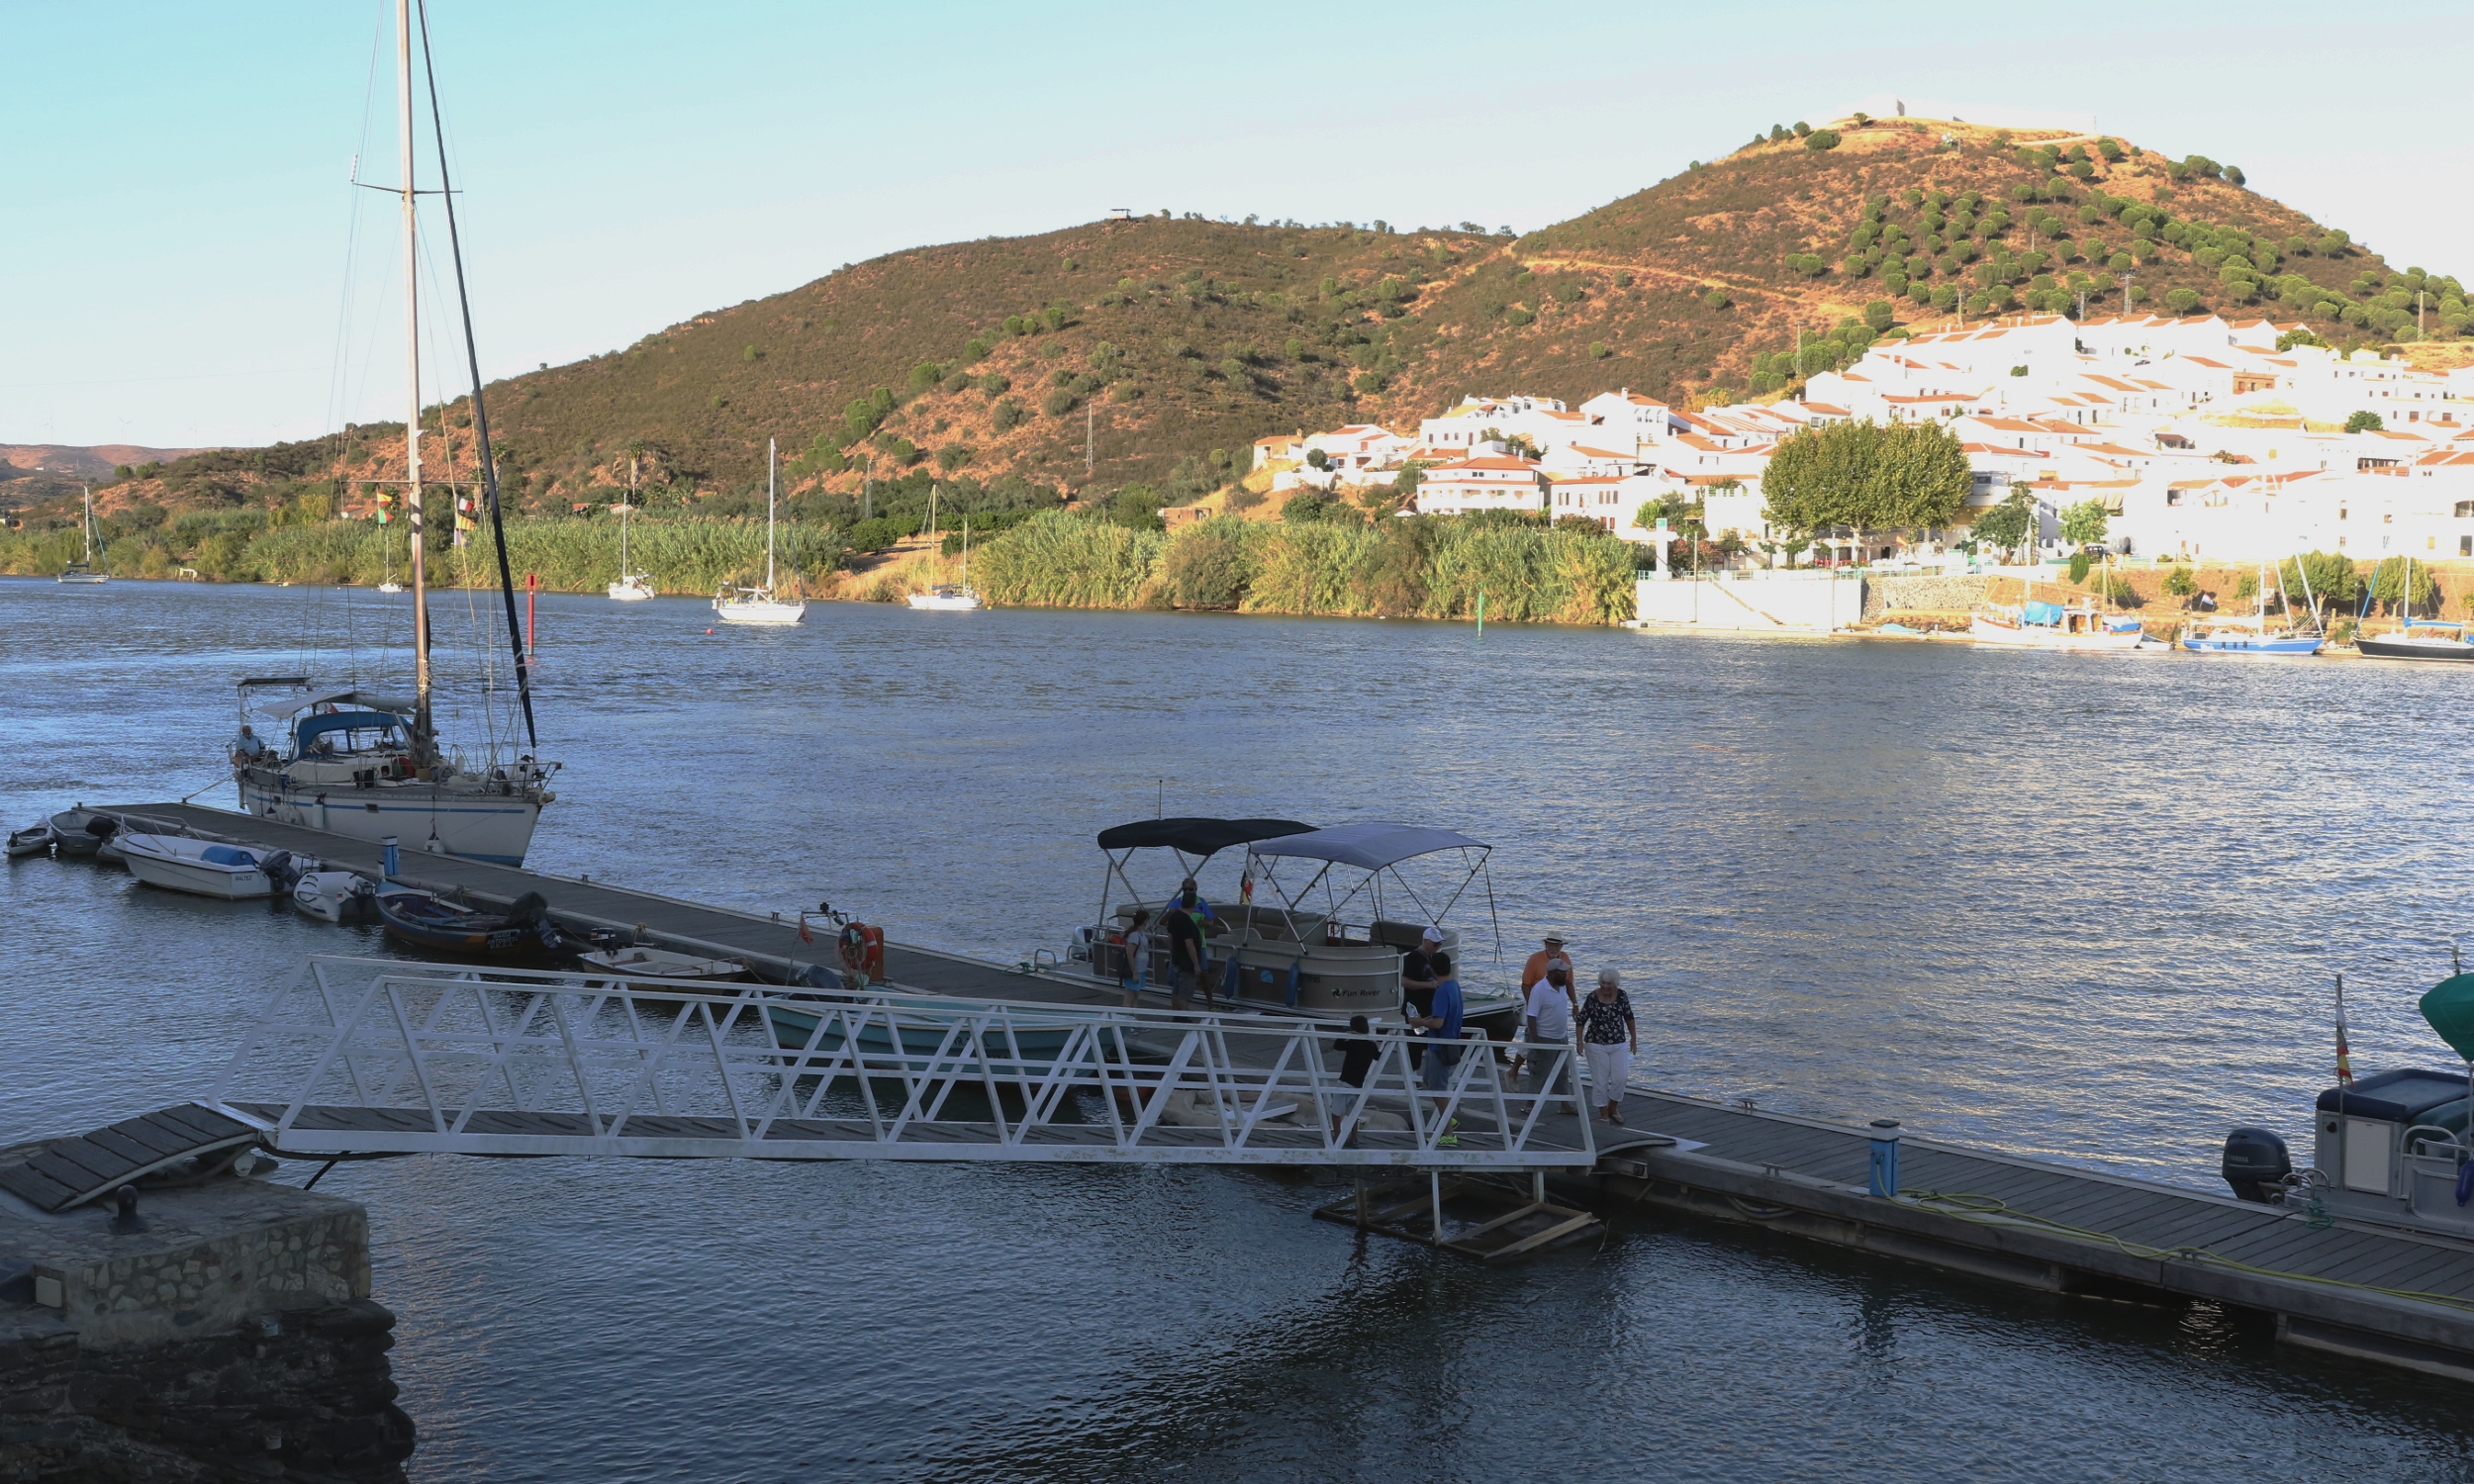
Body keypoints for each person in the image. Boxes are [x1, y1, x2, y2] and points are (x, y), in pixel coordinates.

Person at [1409, 952, 1465, 1142]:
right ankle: (1449, 1117)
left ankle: (1449, 1134)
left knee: (1437, 1089)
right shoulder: (1454, 986)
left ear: (1432, 970)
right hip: (1449, 1043)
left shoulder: (1441, 991)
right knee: (1429, 1081)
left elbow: (1439, 1022)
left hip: (1440, 1046)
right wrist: (1422, 1020)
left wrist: (1420, 1022)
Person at [1576, 969, 1639, 1125]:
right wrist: (1579, 1042)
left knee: (1621, 1078)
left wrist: (1633, 1038)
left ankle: (1613, 1107)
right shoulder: (1593, 997)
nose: (1605, 986)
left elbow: (1629, 1016)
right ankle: (1603, 1113)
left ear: (1615, 984)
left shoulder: (1622, 995)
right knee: (1600, 1081)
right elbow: (1581, 1020)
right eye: (1603, 983)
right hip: (1596, 1043)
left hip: (1618, 1042)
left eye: (1609, 983)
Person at [1510, 933, 1573, 1082]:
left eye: (1556, 945)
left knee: (1536, 1045)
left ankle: (1558, 1093)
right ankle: (1514, 1070)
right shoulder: (1535, 959)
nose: (1553, 948)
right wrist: (1532, 1004)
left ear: (1561, 947)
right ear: (1545, 945)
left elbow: (1569, 982)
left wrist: (1575, 1004)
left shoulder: (1565, 959)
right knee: (1530, 1039)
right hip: (1537, 1002)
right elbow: (1525, 984)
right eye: (1550, 944)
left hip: (1554, 1003)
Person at [1524, 960, 1577, 1109]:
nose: (1566, 975)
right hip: (1544, 1037)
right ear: (1553, 973)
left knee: (1562, 1073)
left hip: (1561, 1037)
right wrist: (1536, 1040)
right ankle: (1530, 1104)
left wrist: (1575, 1005)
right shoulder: (1539, 990)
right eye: (1563, 972)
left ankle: (1564, 1104)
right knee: (1540, 1073)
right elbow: (1531, 1016)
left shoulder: (1561, 988)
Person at [1328, 1014, 1379, 1140]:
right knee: (1352, 1114)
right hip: (1358, 1084)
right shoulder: (1370, 1045)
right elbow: (1378, 1056)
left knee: (1335, 1112)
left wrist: (1346, 1034)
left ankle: (1337, 1137)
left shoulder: (1353, 1042)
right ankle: (1354, 1138)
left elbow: (1337, 1046)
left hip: (1345, 1081)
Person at [1400, 927, 1443, 1070]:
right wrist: (1428, 985)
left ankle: (1426, 1072)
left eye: (1439, 944)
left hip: (1428, 1007)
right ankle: (1413, 1073)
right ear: (1425, 941)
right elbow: (1405, 982)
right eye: (1435, 944)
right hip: (1415, 1007)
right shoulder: (1413, 957)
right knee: (1415, 1044)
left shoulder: (1432, 957)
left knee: (1427, 1040)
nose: (1437, 947)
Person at [1163, 892, 1205, 1012]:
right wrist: (1196, 964)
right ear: (1193, 905)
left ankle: (1176, 1015)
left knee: (1176, 990)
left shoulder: (1174, 917)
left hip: (1176, 959)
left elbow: (1170, 938)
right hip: (1187, 963)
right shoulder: (1188, 922)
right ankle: (1184, 1017)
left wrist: (1172, 954)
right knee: (1184, 994)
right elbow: (1189, 944)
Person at [1117, 908, 1152, 1008]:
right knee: (1129, 996)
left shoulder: (1141, 934)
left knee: (1135, 996)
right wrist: (1134, 973)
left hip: (1141, 970)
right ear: (1145, 921)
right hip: (1135, 970)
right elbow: (1130, 954)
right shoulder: (1134, 935)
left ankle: (1134, 1019)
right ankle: (1125, 1020)